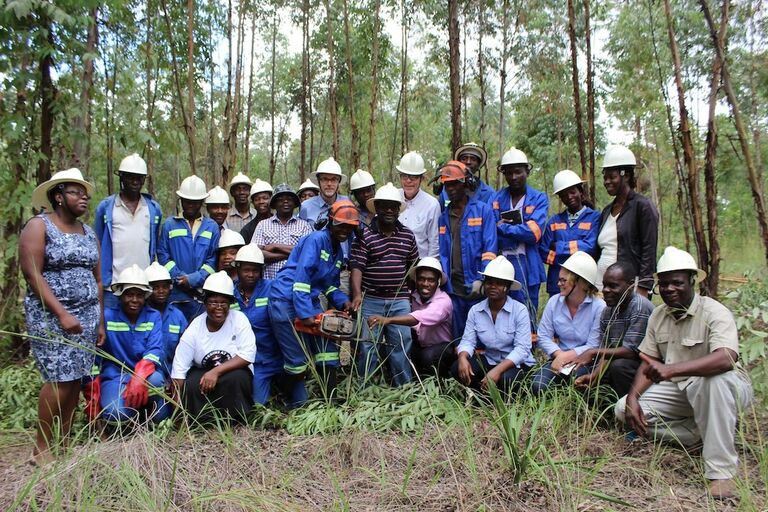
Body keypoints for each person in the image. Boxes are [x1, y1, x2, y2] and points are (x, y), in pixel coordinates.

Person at [615, 247, 753, 499]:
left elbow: (726, 358)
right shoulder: (659, 315)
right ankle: (696, 435)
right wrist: (633, 398)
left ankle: (721, 472)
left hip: (725, 387)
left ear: (691, 281)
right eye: (664, 283)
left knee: (712, 383)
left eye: (676, 283)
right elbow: (648, 363)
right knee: (622, 409)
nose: (669, 289)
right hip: (681, 389)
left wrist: (671, 369)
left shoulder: (714, 312)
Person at [22, 168, 104, 463]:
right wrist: (62, 313)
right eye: (75, 192)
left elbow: (97, 280)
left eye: (85, 193)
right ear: (58, 197)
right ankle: (41, 446)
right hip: (52, 316)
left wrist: (101, 321)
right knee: (58, 378)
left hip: (87, 317)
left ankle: (64, 442)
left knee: (75, 379)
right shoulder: (40, 226)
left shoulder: (88, 232)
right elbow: (32, 274)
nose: (83, 197)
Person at [268, 200, 357, 405]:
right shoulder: (316, 239)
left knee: (327, 349)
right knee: (296, 360)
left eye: (350, 227)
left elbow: (330, 285)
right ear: (330, 222)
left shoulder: (339, 252)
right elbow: (302, 278)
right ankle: (293, 402)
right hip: (287, 299)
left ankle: (330, 399)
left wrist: (343, 302)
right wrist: (306, 314)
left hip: (308, 299)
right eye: (341, 225)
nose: (345, 230)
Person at [351, 183, 419, 386]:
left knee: (401, 344)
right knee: (368, 346)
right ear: (376, 208)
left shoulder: (407, 235)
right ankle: (365, 390)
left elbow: (413, 267)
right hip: (371, 299)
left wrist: (410, 294)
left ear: (398, 209)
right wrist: (356, 295)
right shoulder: (365, 235)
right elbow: (356, 268)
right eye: (384, 206)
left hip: (399, 300)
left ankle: (403, 388)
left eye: (393, 206)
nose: (389, 210)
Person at [172, 271, 256, 424]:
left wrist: (216, 371)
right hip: (203, 374)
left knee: (239, 378)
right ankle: (203, 421)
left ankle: (236, 419)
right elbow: (179, 370)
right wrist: (177, 413)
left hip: (231, 371)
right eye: (213, 302)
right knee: (191, 384)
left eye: (223, 303)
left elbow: (247, 355)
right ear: (205, 303)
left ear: (230, 304)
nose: (219, 307)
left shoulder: (239, 319)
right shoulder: (195, 327)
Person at [451, 256, 535, 393]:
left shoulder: (519, 310)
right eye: (489, 282)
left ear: (507, 287)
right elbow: (468, 341)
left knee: (506, 379)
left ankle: (502, 401)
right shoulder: (476, 310)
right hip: (490, 359)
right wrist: (462, 357)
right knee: (457, 368)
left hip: (516, 364)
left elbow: (522, 349)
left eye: (499, 283)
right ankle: (480, 396)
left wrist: (498, 370)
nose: (493, 287)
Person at [230, 244, 301, 405]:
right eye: (246, 270)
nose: (251, 275)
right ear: (238, 269)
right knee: (258, 406)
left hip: (279, 357)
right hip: (255, 361)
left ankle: (283, 391)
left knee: (301, 402)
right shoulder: (229, 294)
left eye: (255, 270)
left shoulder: (272, 288)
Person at [99, 265, 170, 426]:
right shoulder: (107, 317)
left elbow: (155, 350)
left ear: (145, 296)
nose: (135, 300)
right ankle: (134, 411)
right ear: (120, 295)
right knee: (116, 414)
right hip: (116, 377)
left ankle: (150, 411)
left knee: (157, 381)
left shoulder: (153, 316)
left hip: (146, 376)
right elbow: (97, 354)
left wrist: (139, 376)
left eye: (139, 295)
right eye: (130, 295)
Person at [573, 262, 654, 398]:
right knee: (586, 378)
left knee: (618, 366)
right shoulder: (607, 312)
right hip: (619, 364)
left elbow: (632, 351)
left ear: (630, 285)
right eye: (604, 285)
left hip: (644, 367)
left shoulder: (639, 307)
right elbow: (607, 351)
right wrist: (594, 376)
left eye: (613, 286)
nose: (605, 290)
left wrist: (593, 352)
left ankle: (630, 408)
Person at [530, 251, 606, 396]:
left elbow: (594, 344)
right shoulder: (554, 302)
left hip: (585, 362)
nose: (559, 284)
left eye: (563, 280)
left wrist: (569, 356)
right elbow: (543, 336)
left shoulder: (599, 307)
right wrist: (560, 355)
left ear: (579, 282)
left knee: (576, 384)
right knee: (537, 386)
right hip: (558, 358)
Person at [94, 153, 162, 309]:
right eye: (130, 177)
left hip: (143, 286)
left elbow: (154, 244)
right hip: (112, 286)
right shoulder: (106, 207)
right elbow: (97, 243)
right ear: (122, 178)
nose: (135, 181)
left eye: (139, 178)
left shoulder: (153, 209)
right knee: (112, 330)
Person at [438, 161, 498, 336]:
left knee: (481, 336)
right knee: (457, 337)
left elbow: (490, 248)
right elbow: (442, 252)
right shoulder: (443, 217)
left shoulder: (482, 211)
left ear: (466, 183)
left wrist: (484, 279)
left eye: (455, 184)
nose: (450, 189)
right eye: (447, 185)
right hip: (453, 289)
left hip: (477, 288)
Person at [368, 257, 454, 377]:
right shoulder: (412, 297)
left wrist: (388, 320)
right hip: (420, 344)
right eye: (421, 279)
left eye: (431, 280)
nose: (425, 284)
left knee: (427, 357)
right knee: (393, 349)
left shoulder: (444, 302)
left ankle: (440, 384)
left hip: (442, 347)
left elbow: (419, 317)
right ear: (416, 280)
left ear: (438, 282)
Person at [492, 147, 548, 320]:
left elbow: (533, 233)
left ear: (527, 171)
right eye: (509, 173)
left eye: (518, 172)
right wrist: (520, 228)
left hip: (528, 265)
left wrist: (503, 228)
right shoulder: (496, 199)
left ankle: (529, 346)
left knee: (527, 312)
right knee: (502, 312)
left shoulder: (539, 198)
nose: (513, 177)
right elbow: (491, 230)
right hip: (502, 263)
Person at [596, 145, 659, 294]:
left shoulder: (642, 206)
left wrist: (643, 287)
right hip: (600, 287)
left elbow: (649, 251)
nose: (607, 182)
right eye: (605, 177)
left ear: (627, 176)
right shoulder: (606, 211)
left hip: (627, 288)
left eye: (612, 177)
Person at [157, 175, 220, 322]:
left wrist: (193, 279)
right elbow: (163, 256)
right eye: (187, 201)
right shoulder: (170, 225)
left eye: (195, 201)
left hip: (202, 296)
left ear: (202, 202)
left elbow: (213, 260)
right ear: (181, 200)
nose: (190, 205)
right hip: (176, 297)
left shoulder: (211, 227)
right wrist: (180, 278)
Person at [540, 170, 601, 297]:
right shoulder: (554, 221)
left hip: (583, 281)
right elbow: (543, 252)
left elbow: (590, 248)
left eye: (573, 192)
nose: (569, 197)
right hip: (557, 284)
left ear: (581, 192)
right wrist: (575, 252)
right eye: (564, 195)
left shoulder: (594, 218)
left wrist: (558, 247)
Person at [252, 183, 313, 279]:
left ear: (294, 203)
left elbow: (307, 252)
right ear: (274, 204)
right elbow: (257, 253)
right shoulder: (263, 225)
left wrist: (275, 246)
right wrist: (290, 255)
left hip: (296, 283)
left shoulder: (304, 226)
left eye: (289, 199)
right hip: (269, 284)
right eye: (280, 199)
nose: (285, 202)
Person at [144, 261, 188, 378]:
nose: (161, 291)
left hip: (172, 373)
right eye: (156, 287)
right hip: (146, 374)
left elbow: (185, 351)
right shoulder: (140, 315)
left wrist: (175, 377)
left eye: (164, 287)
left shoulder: (178, 316)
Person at [397, 151, 440, 258]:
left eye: (413, 177)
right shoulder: (392, 197)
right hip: (393, 263)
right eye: (404, 176)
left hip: (419, 264)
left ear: (421, 178)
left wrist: (428, 268)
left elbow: (434, 243)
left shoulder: (431, 205)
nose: (408, 181)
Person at [438, 142, 496, 210]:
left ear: (478, 165)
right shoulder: (446, 191)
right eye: (464, 158)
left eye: (473, 159)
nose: (468, 162)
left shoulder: (489, 193)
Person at [239, 179, 274, 243]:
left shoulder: (281, 223)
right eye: (257, 199)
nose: (261, 202)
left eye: (265, 198)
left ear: (271, 199)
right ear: (252, 203)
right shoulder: (247, 230)